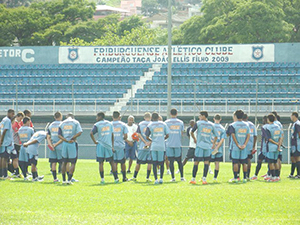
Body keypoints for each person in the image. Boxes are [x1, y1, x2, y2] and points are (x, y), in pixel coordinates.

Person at [190, 111, 220, 185]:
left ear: (203, 116)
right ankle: (204, 179)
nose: (199, 117)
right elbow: (216, 136)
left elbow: (191, 132)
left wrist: (194, 139)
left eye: (200, 115)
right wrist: (213, 143)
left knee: (196, 162)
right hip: (207, 146)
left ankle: (193, 179)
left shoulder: (198, 123)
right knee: (206, 162)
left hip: (199, 145)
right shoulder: (211, 124)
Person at [90, 112, 119, 184]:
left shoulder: (97, 125)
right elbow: (112, 135)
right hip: (108, 145)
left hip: (100, 145)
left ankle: (102, 179)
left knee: (101, 163)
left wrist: (95, 142)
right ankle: (116, 179)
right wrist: (112, 145)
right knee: (112, 162)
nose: (96, 118)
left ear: (100, 117)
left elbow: (91, 133)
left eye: (97, 117)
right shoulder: (110, 124)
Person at [58, 113, 82, 185]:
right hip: (72, 143)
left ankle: (64, 180)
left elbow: (59, 135)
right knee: (73, 163)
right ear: (73, 117)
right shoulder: (75, 122)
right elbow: (80, 132)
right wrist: (73, 137)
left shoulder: (62, 123)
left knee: (64, 162)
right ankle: (69, 180)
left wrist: (65, 140)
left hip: (65, 144)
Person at [146, 112, 169, 184]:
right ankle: (161, 178)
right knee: (161, 163)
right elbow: (168, 134)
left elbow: (146, 136)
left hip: (154, 146)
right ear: (158, 117)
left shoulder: (150, 125)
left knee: (154, 163)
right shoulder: (163, 124)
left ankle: (156, 179)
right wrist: (163, 138)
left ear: (152, 118)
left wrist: (152, 140)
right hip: (162, 146)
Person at [227, 110, 250, 183]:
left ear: (235, 116)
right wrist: (244, 144)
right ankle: (245, 178)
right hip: (244, 147)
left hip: (235, 147)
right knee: (244, 163)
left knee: (235, 162)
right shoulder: (246, 125)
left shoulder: (232, 125)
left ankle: (236, 177)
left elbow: (232, 135)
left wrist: (237, 145)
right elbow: (248, 135)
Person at [130, 112, 152, 182]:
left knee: (138, 162)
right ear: (150, 117)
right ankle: (147, 178)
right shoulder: (152, 124)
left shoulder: (140, 124)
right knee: (149, 162)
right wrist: (150, 142)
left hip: (142, 146)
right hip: (151, 146)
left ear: (144, 117)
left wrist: (145, 142)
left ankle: (134, 176)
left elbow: (138, 134)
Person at [165, 108, 185, 182]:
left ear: (170, 114)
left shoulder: (166, 122)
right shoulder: (180, 122)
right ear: (177, 114)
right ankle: (182, 177)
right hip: (177, 144)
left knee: (171, 162)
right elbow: (182, 133)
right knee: (179, 161)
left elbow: (165, 133)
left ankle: (173, 178)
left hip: (169, 144)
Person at [265, 114, 283, 182]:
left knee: (271, 162)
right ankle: (276, 176)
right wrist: (279, 144)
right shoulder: (278, 126)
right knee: (275, 162)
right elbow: (281, 137)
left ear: (268, 119)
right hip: (277, 147)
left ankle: (272, 177)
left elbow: (269, 139)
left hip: (271, 147)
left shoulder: (268, 128)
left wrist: (276, 143)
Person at [111, 111, 129, 182]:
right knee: (122, 162)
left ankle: (116, 178)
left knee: (114, 162)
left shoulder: (109, 124)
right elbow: (125, 136)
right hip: (121, 145)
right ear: (119, 116)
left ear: (112, 116)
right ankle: (124, 177)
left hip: (112, 146)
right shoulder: (123, 125)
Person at [47, 112, 64, 182]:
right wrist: (56, 144)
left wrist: (51, 145)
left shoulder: (51, 125)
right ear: (61, 116)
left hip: (52, 146)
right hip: (60, 145)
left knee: (53, 162)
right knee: (63, 162)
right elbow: (62, 137)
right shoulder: (62, 124)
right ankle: (65, 178)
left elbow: (48, 136)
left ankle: (55, 178)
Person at [251, 116, 268, 180]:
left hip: (265, 148)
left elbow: (267, 137)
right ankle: (256, 175)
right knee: (261, 161)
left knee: (264, 161)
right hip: (264, 147)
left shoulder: (265, 127)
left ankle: (256, 175)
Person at [0, 109, 16, 180]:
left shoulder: (3, 120)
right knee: (5, 159)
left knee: (2, 158)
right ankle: (5, 175)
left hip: (4, 142)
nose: (12, 116)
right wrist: (1, 141)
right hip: (6, 142)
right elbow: (4, 131)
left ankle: (1, 174)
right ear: (10, 113)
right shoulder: (7, 121)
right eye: (12, 114)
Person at [242, 114, 257, 180]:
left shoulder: (242, 124)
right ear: (247, 117)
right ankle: (248, 175)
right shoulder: (252, 125)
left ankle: (241, 175)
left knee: (241, 161)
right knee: (248, 160)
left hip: (242, 144)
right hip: (250, 145)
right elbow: (255, 135)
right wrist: (253, 146)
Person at [211, 114, 225, 182]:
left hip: (211, 147)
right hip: (219, 148)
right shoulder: (222, 128)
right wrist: (217, 146)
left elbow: (208, 136)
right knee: (217, 163)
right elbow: (222, 140)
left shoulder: (211, 126)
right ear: (220, 119)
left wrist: (214, 143)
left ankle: (204, 177)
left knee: (207, 162)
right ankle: (215, 178)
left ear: (214, 119)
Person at [289, 112, 300, 179]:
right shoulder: (294, 124)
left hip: (297, 144)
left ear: (294, 116)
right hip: (293, 144)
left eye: (291, 115)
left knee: (297, 158)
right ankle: (292, 173)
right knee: (293, 158)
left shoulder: (297, 124)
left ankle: (299, 174)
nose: (291, 117)